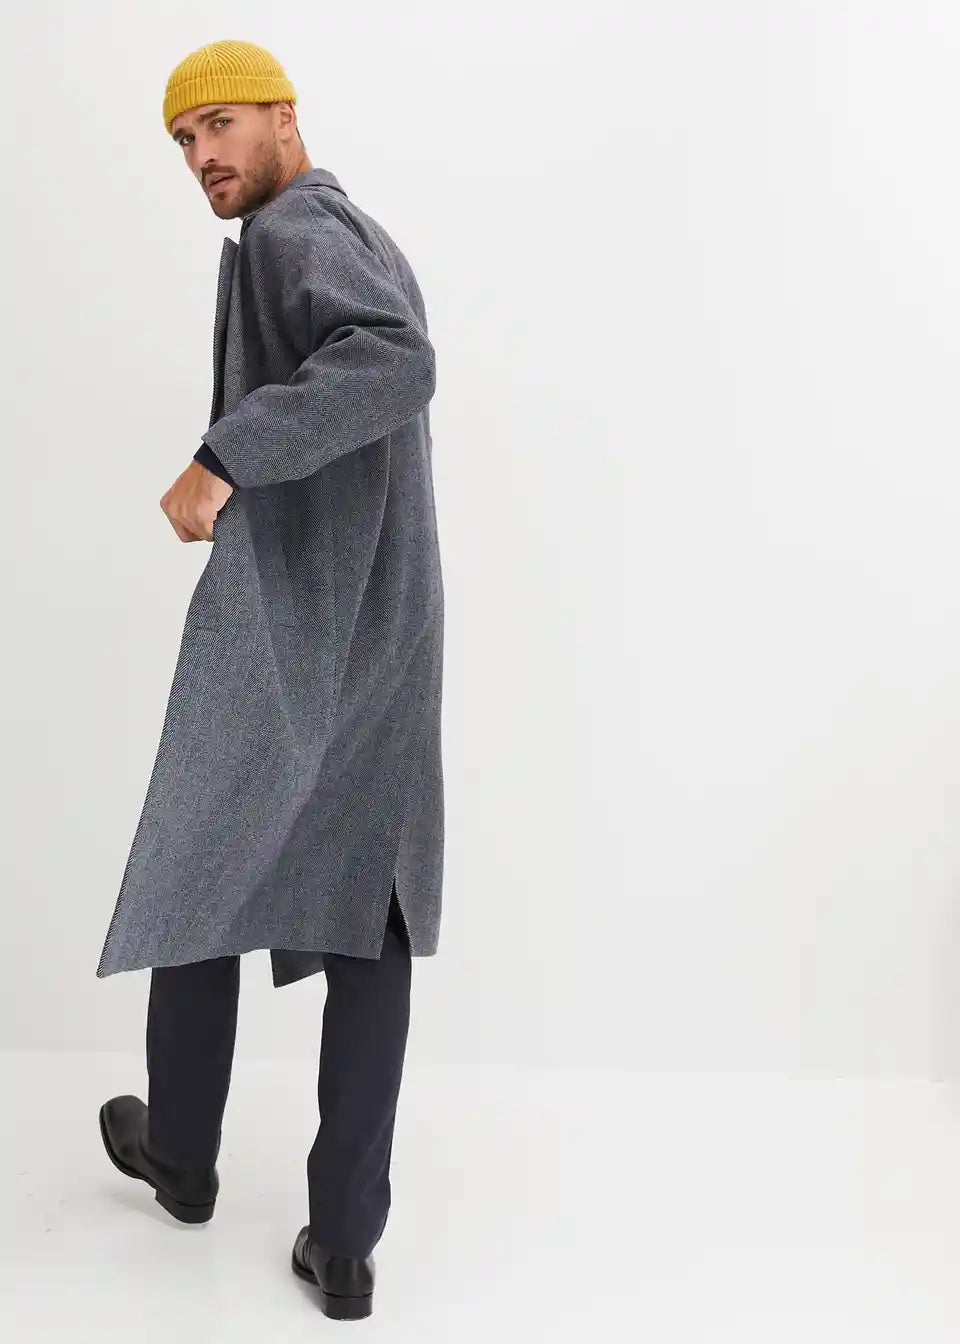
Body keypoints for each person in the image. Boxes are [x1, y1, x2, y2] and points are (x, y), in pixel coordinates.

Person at [95, 39, 445, 1322]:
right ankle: (343, 1245)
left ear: (286, 119)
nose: (202, 156)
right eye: (184, 142)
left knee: (202, 869)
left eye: (222, 125)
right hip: (379, 636)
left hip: (299, 627)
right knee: (367, 915)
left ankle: (184, 1158)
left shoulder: (299, 230)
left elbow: (397, 358)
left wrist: (225, 453)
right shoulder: (322, 230)